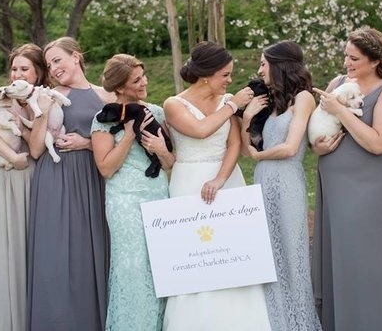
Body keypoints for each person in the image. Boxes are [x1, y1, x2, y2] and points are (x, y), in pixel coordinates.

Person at [162, 41, 270, 331]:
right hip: (188, 183)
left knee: (233, 253)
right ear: (207, 74)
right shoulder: (174, 104)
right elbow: (200, 130)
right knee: (195, 254)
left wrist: (221, 179)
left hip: (227, 180)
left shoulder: (226, 102)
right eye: (225, 74)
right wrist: (234, 104)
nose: (229, 81)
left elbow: (234, 143)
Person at [311, 27, 382, 331]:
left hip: (371, 190)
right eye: (346, 55)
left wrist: (341, 110)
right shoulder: (338, 83)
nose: (346, 63)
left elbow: (379, 143)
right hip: (335, 185)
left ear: (374, 59)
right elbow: (319, 124)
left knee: (368, 261)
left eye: (353, 57)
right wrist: (316, 145)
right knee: (340, 259)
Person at [27, 37, 116, 331]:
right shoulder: (49, 95)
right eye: (49, 64)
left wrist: (88, 143)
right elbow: (36, 150)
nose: (53, 68)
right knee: (57, 254)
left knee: (89, 254)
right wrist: (41, 110)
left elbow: (120, 143)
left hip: (92, 179)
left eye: (57, 60)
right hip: (56, 179)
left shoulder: (106, 96)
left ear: (76, 57)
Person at [241, 40, 322, 331]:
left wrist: (258, 155)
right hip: (262, 181)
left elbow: (289, 148)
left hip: (287, 181)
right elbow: (248, 145)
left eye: (264, 64)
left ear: (279, 65)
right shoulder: (272, 102)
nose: (260, 70)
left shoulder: (304, 98)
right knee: (267, 256)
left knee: (291, 253)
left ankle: (299, 323)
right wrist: (247, 118)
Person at [91, 54, 175, 330]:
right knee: (133, 268)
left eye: (143, 76)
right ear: (120, 88)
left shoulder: (157, 113)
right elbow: (105, 168)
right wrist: (128, 135)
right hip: (124, 202)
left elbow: (172, 164)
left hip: (158, 194)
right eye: (136, 80)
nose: (144, 82)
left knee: (160, 268)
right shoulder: (103, 121)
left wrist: (161, 150)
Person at [0, 43, 50, 331]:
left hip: (32, 178)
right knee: (0, 246)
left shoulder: (43, 100)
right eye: (14, 68)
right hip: (3, 175)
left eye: (24, 69)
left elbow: (38, 147)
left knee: (29, 245)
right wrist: (11, 157)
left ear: (38, 74)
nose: (17, 74)